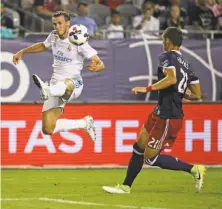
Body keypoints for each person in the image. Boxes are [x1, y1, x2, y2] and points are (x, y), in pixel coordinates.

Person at [102, 27, 206, 194]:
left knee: (150, 158)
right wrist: (180, 92)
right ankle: (125, 186)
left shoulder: (166, 56)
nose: (162, 42)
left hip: (168, 115)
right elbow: (197, 94)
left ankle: (194, 169)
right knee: (138, 146)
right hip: (160, 111)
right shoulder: (188, 66)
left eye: (163, 39)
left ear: (168, 41)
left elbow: (171, 78)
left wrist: (147, 88)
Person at [12, 11, 104, 141]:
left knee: (68, 84)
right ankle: (84, 123)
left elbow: (100, 63)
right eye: (55, 24)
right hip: (56, 84)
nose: (57, 27)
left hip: (74, 84)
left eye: (60, 23)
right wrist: (22, 51)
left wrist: (98, 66)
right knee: (48, 129)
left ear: (68, 23)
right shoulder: (54, 36)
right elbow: (43, 46)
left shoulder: (78, 40)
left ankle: (48, 90)